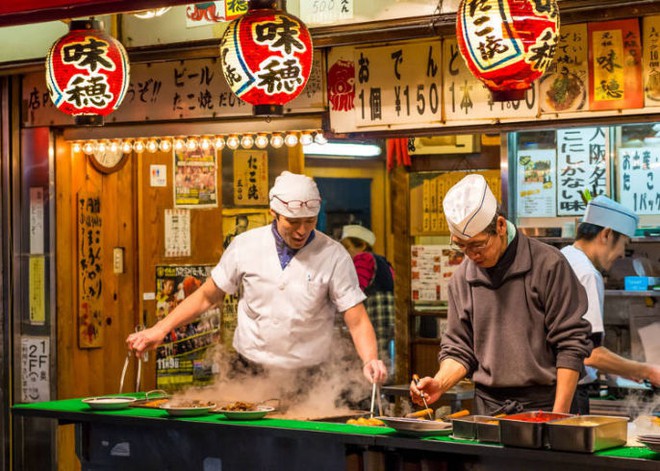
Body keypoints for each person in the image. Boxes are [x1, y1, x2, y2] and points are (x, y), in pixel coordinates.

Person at [127, 171, 388, 386]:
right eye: (293, 221)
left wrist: (370, 359)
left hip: (310, 375)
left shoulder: (333, 254)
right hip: (249, 368)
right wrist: (160, 329)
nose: (301, 230)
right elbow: (207, 296)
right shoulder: (246, 245)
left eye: (309, 222)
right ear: (273, 213)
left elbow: (356, 318)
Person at [410, 174, 593, 415]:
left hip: (547, 403)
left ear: (500, 226)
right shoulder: (462, 279)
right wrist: (440, 383)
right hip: (490, 409)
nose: (470, 255)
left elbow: (571, 344)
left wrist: (558, 416)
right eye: (460, 246)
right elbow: (459, 348)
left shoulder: (548, 265)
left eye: (477, 245)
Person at [561, 195, 660, 414]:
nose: (622, 255)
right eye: (623, 245)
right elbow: (590, 353)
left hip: (552, 390)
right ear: (606, 234)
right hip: (572, 392)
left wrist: (624, 369)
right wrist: (648, 370)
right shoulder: (587, 273)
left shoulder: (563, 257)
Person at [340, 225, 395, 376]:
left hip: (375, 315)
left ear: (362, 245)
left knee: (372, 358)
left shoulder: (363, 258)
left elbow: (355, 290)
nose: (345, 252)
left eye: (347, 247)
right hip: (390, 317)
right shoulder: (383, 261)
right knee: (384, 357)